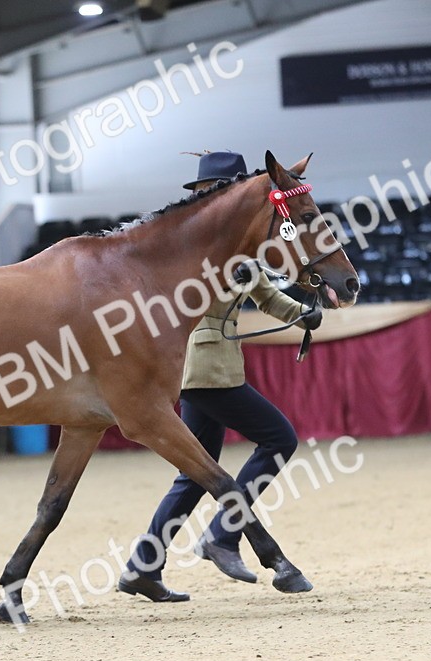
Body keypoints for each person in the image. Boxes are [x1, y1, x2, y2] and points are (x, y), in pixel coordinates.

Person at [117, 151, 322, 603]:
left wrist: (302, 314)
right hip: (206, 368)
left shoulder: (232, 245)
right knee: (279, 438)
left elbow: (264, 293)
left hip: (209, 367)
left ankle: (143, 566)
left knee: (193, 473)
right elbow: (228, 289)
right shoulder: (196, 245)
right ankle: (222, 537)